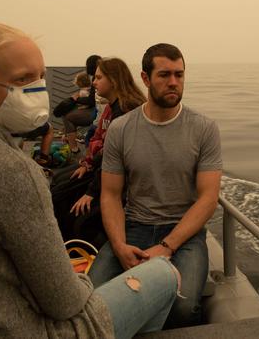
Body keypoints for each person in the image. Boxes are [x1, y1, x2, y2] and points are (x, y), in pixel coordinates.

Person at [0, 23, 180, 339]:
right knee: (162, 273)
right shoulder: (10, 170)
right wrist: (79, 281)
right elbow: (65, 303)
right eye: (22, 80)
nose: (39, 88)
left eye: (39, 76)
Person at [88, 43, 223, 328]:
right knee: (91, 299)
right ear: (146, 79)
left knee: (183, 307)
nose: (173, 82)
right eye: (164, 75)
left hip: (184, 234)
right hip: (134, 226)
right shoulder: (121, 129)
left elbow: (208, 198)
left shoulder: (204, 128)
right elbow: (110, 195)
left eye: (179, 74)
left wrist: (167, 246)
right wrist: (119, 245)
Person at [53, 57, 146, 244]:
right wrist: (87, 164)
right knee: (59, 180)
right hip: (106, 169)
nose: (94, 83)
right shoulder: (114, 107)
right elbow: (106, 150)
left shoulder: (125, 110)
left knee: (63, 200)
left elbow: (114, 158)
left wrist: (90, 192)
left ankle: (72, 247)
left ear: (113, 80)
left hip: (122, 180)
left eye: (98, 78)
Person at [62, 55, 99, 153]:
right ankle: (69, 139)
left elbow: (92, 100)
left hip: (96, 111)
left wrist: (76, 99)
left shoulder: (96, 78)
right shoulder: (99, 76)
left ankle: (74, 148)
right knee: (70, 112)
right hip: (96, 109)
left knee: (67, 117)